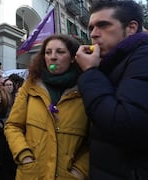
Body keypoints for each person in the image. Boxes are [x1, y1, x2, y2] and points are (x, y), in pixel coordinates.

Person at [75, 0, 148, 179]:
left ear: (131, 28)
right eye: (91, 27)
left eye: (103, 25)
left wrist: (90, 73)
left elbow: (127, 126)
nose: (93, 34)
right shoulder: (118, 64)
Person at [5, 34, 89, 179]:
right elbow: (13, 125)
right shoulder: (30, 86)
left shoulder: (87, 90)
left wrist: (79, 171)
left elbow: (94, 141)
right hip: (31, 174)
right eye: (48, 52)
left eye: (60, 52)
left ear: (73, 57)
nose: (53, 57)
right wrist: (24, 156)